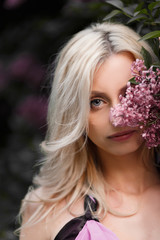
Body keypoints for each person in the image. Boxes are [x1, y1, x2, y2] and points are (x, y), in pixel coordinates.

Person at [19, 22, 160, 240]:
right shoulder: (46, 211)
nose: (118, 117)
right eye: (96, 102)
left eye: (129, 93)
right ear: (72, 113)